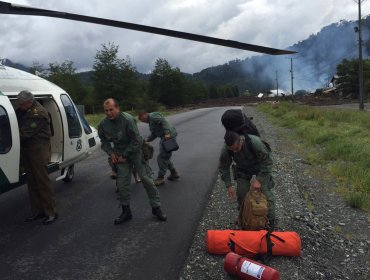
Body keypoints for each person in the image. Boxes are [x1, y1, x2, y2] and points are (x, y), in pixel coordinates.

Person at [98, 98, 167, 224]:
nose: (109, 113)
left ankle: (156, 207)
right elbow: (103, 140)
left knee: (146, 179)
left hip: (135, 152)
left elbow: (136, 141)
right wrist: (111, 152)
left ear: (117, 108)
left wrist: (125, 154)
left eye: (111, 110)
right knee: (122, 183)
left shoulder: (128, 120)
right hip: (120, 154)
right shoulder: (103, 124)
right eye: (106, 110)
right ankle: (126, 211)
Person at [16, 90, 58, 225]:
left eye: (22, 104)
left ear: (29, 102)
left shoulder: (38, 113)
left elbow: (24, 134)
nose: (20, 107)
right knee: (32, 182)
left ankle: (51, 212)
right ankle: (38, 211)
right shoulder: (24, 110)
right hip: (28, 150)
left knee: (42, 182)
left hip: (38, 151)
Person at [219, 130, 276, 229]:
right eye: (232, 150)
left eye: (236, 148)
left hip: (260, 168)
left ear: (241, 141)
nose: (235, 151)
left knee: (265, 194)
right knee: (241, 193)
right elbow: (223, 167)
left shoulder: (255, 143)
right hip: (243, 169)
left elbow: (268, 163)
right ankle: (246, 219)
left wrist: (259, 180)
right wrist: (228, 185)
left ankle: (271, 222)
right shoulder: (227, 149)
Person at [138, 111, 179, 186]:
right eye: (141, 121)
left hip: (168, 136)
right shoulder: (150, 122)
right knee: (165, 156)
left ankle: (161, 178)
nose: (143, 121)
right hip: (165, 137)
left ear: (145, 114)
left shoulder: (153, 116)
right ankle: (174, 173)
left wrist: (167, 133)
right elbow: (154, 134)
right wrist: (147, 140)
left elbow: (163, 121)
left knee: (161, 158)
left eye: (142, 119)